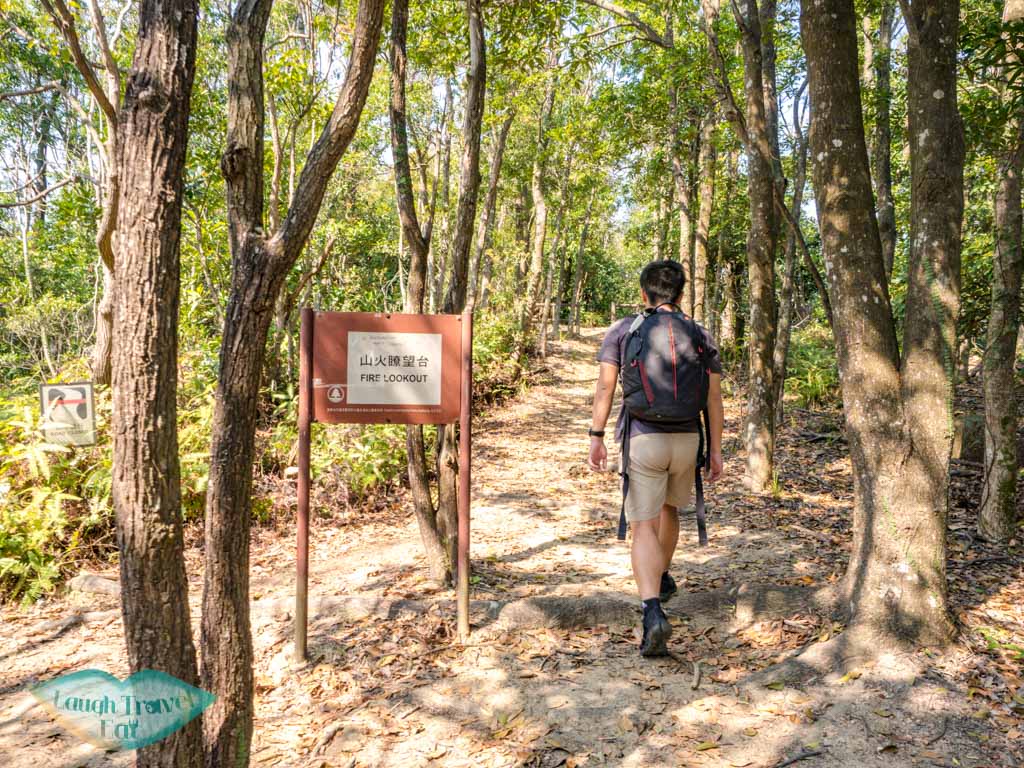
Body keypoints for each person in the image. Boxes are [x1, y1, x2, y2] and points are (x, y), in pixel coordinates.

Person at [587, 260, 724, 656]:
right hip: (688, 439)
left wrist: (596, 435)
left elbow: (605, 387)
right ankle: (661, 575)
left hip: (643, 439)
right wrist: (715, 450)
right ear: (681, 295)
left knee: (642, 525)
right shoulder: (699, 333)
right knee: (671, 511)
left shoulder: (624, 330)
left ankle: (651, 613)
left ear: (644, 294)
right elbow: (714, 398)